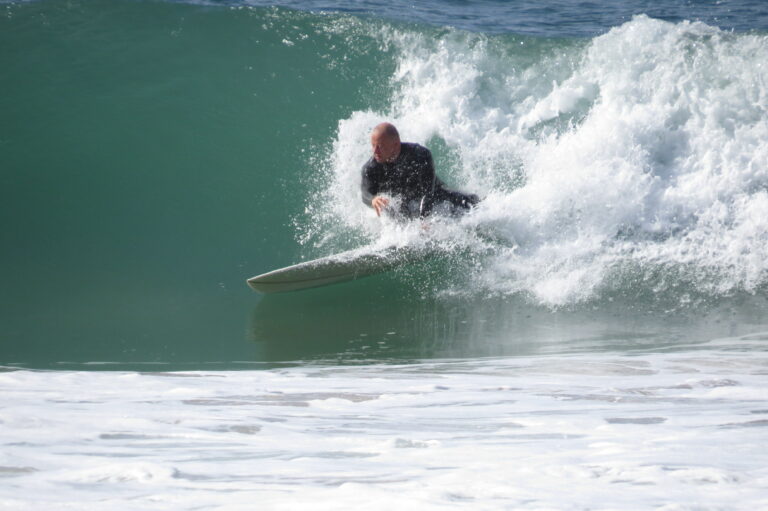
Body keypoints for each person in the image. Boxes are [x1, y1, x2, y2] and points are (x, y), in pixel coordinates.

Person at [361, 123, 479, 219]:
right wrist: (373, 199)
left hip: (434, 195)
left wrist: (424, 220)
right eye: (373, 146)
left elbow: (428, 192)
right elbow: (365, 194)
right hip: (404, 204)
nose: (375, 152)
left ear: (396, 144)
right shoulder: (371, 168)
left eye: (380, 147)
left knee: (468, 204)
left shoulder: (419, 155)